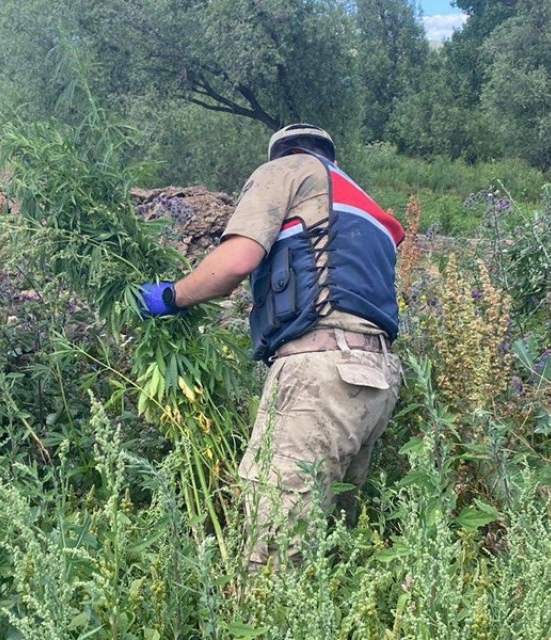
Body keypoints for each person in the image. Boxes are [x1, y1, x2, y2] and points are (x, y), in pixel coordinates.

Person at [138, 123, 406, 570]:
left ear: (280, 154)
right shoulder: (360, 204)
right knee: (330, 544)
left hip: (320, 370)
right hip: (375, 378)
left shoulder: (288, 169)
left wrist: (171, 296)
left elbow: (237, 261)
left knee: (276, 549)